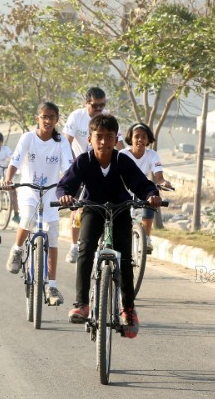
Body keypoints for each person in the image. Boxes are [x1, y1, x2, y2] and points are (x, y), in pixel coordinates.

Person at [56, 114, 161, 338]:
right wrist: (65, 195)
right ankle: (82, 304)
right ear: (90, 139)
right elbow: (67, 184)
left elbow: (141, 183)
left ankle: (128, 310)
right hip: (93, 208)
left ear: (116, 139)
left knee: (124, 258)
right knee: (85, 249)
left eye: (109, 137)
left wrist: (151, 194)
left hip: (121, 209)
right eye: (99, 137)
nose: (104, 142)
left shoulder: (122, 161)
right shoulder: (83, 161)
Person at [3, 102, 74, 305]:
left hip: (52, 194)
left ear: (56, 120)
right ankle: (17, 250)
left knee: (52, 238)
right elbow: (15, 162)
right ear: (38, 118)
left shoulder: (61, 142)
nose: (48, 120)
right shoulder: (28, 138)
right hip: (29, 191)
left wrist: (70, 190)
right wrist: (8, 180)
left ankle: (52, 286)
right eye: (44, 117)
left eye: (52, 117)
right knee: (27, 217)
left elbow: (68, 169)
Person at [63, 87, 118, 264]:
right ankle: (74, 245)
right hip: (81, 166)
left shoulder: (107, 118)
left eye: (103, 106)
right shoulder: (76, 117)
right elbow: (66, 144)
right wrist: (71, 166)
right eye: (95, 106)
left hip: (102, 166)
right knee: (77, 207)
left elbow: (120, 143)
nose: (99, 110)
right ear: (87, 103)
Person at [122, 122, 174, 253]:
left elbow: (159, 176)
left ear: (148, 139)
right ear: (130, 138)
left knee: (152, 199)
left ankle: (146, 237)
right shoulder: (122, 154)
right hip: (123, 190)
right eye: (137, 136)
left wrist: (163, 182)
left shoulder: (152, 155)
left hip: (141, 189)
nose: (140, 139)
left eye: (144, 137)